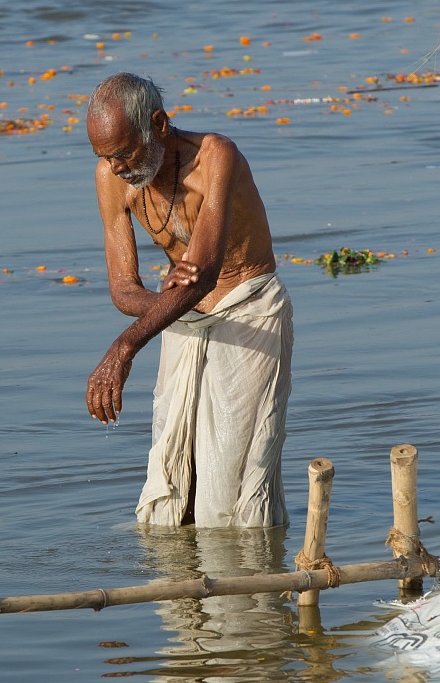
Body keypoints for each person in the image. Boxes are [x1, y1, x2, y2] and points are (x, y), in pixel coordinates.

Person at [86, 72, 292, 528]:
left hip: (249, 307)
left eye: (124, 152)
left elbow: (204, 277)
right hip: (177, 318)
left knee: (233, 490)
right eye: (105, 156)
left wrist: (125, 347)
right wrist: (169, 301)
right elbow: (123, 289)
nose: (117, 166)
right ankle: (180, 596)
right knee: (168, 488)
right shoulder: (111, 178)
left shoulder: (216, 156)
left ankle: (246, 592)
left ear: (158, 125)